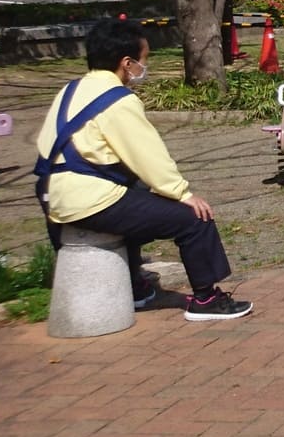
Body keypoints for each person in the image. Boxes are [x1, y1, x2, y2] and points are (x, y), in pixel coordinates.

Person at [33, 18, 251, 321]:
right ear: (126, 63)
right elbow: (148, 157)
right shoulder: (118, 101)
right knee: (193, 219)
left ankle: (134, 285)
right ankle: (206, 298)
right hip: (89, 200)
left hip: (53, 197)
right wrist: (182, 193)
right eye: (143, 61)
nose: (142, 69)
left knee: (137, 194)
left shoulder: (70, 90)